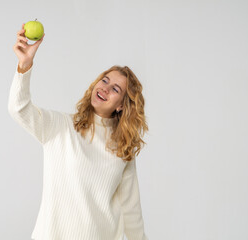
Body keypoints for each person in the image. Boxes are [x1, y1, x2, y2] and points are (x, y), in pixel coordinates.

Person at [8, 23, 149, 240]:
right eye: (104, 80)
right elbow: (19, 109)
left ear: (122, 105)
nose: (105, 88)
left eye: (115, 89)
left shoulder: (123, 148)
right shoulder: (61, 127)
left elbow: (132, 212)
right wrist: (25, 66)